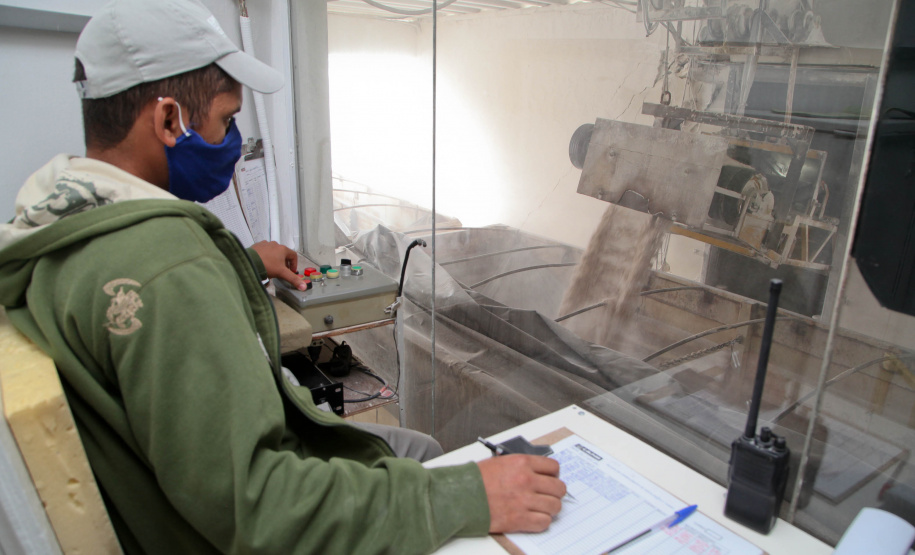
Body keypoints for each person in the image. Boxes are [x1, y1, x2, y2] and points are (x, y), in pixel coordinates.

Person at [0, 1, 566, 553]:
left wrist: (243, 265)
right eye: (226, 119)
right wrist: (464, 497)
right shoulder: (167, 265)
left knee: (413, 444)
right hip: (236, 516)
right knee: (432, 461)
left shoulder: (56, 214)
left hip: (166, 495)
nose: (234, 141)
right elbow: (258, 505)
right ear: (169, 119)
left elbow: (137, 308)